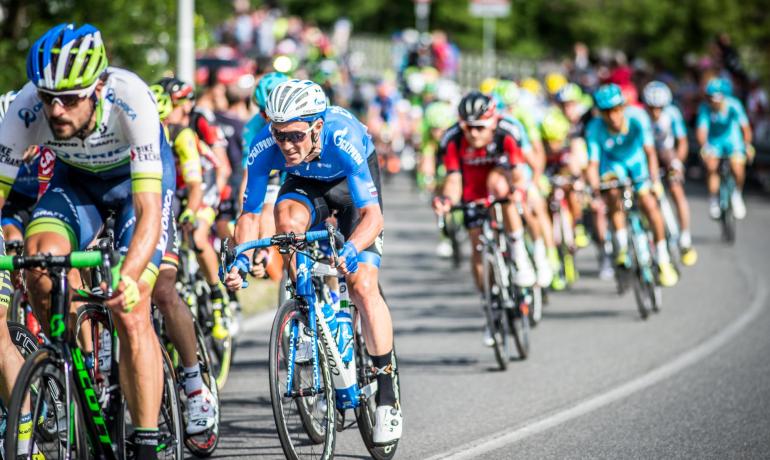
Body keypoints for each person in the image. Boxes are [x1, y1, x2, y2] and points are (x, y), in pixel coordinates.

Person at [0, 23, 169, 458]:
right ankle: (72, 360)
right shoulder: (24, 109)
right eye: (48, 99)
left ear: (98, 89)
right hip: (75, 184)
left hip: (135, 189)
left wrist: (129, 277)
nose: (56, 112)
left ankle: (146, 440)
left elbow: (150, 211)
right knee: (38, 264)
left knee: (133, 310)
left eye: (71, 99)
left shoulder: (131, 100)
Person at [224, 79, 402, 445]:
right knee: (286, 224)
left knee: (362, 284)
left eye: (295, 136)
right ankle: (307, 315)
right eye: (279, 134)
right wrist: (241, 260)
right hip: (306, 187)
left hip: (351, 190)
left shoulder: (343, 136)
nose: (286, 145)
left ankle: (387, 393)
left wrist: (351, 250)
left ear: (317, 127)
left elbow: (373, 216)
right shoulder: (265, 147)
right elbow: (250, 213)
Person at [433, 92, 537, 345]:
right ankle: (490, 309)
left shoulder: (507, 132)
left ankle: (519, 255)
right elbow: (454, 179)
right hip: (472, 187)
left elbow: (518, 171)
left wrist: (519, 190)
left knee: (504, 193)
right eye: (468, 127)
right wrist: (447, 201)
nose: (474, 134)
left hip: (501, 178)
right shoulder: (453, 140)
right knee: (477, 245)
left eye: (480, 128)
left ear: (492, 122)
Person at [150, 84, 219, 434]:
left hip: (172, 202)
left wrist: (191, 212)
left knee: (164, 290)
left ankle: (193, 383)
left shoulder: (181, 134)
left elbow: (194, 186)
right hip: (130, 205)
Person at [585, 84, 679, 288]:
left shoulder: (638, 119)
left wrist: (654, 181)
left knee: (649, 203)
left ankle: (663, 259)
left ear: (623, 107)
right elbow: (592, 164)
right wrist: (594, 188)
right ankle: (621, 247)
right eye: (607, 112)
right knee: (611, 193)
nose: (613, 116)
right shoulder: (594, 128)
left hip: (637, 163)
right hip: (612, 165)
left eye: (617, 109)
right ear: (600, 113)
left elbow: (650, 152)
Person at [642, 81, 698, 266]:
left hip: (667, 153)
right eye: (652, 108)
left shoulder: (672, 114)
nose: (655, 112)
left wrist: (677, 163)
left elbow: (682, 142)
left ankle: (685, 236)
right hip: (648, 156)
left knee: (676, 189)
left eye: (659, 108)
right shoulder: (642, 117)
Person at [696, 77, 753, 220]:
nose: (713, 101)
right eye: (711, 97)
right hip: (714, 142)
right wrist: (704, 147)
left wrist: (747, 144)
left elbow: (745, 128)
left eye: (717, 98)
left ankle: (736, 194)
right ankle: (714, 199)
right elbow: (701, 130)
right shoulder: (705, 108)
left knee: (737, 166)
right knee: (711, 166)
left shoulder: (734, 105)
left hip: (733, 141)